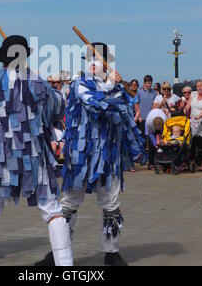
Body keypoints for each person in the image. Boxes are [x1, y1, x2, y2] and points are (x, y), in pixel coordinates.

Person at [0, 35, 73, 266]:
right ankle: (66, 266)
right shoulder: (39, 83)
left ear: (3, 58)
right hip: (34, 159)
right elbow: (58, 107)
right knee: (52, 211)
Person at [36, 42, 146, 267]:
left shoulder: (116, 86)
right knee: (68, 203)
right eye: (90, 59)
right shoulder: (79, 83)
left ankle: (112, 251)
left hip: (108, 156)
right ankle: (58, 252)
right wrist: (111, 87)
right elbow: (95, 103)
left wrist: (133, 146)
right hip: (79, 156)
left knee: (111, 202)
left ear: (107, 63)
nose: (93, 64)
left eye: (98, 60)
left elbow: (123, 111)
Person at [186, 80, 202, 172]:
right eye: (198, 86)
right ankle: (193, 162)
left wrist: (198, 116)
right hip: (193, 122)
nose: (199, 87)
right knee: (193, 143)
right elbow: (188, 106)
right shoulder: (193, 94)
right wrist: (185, 110)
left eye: (201, 86)